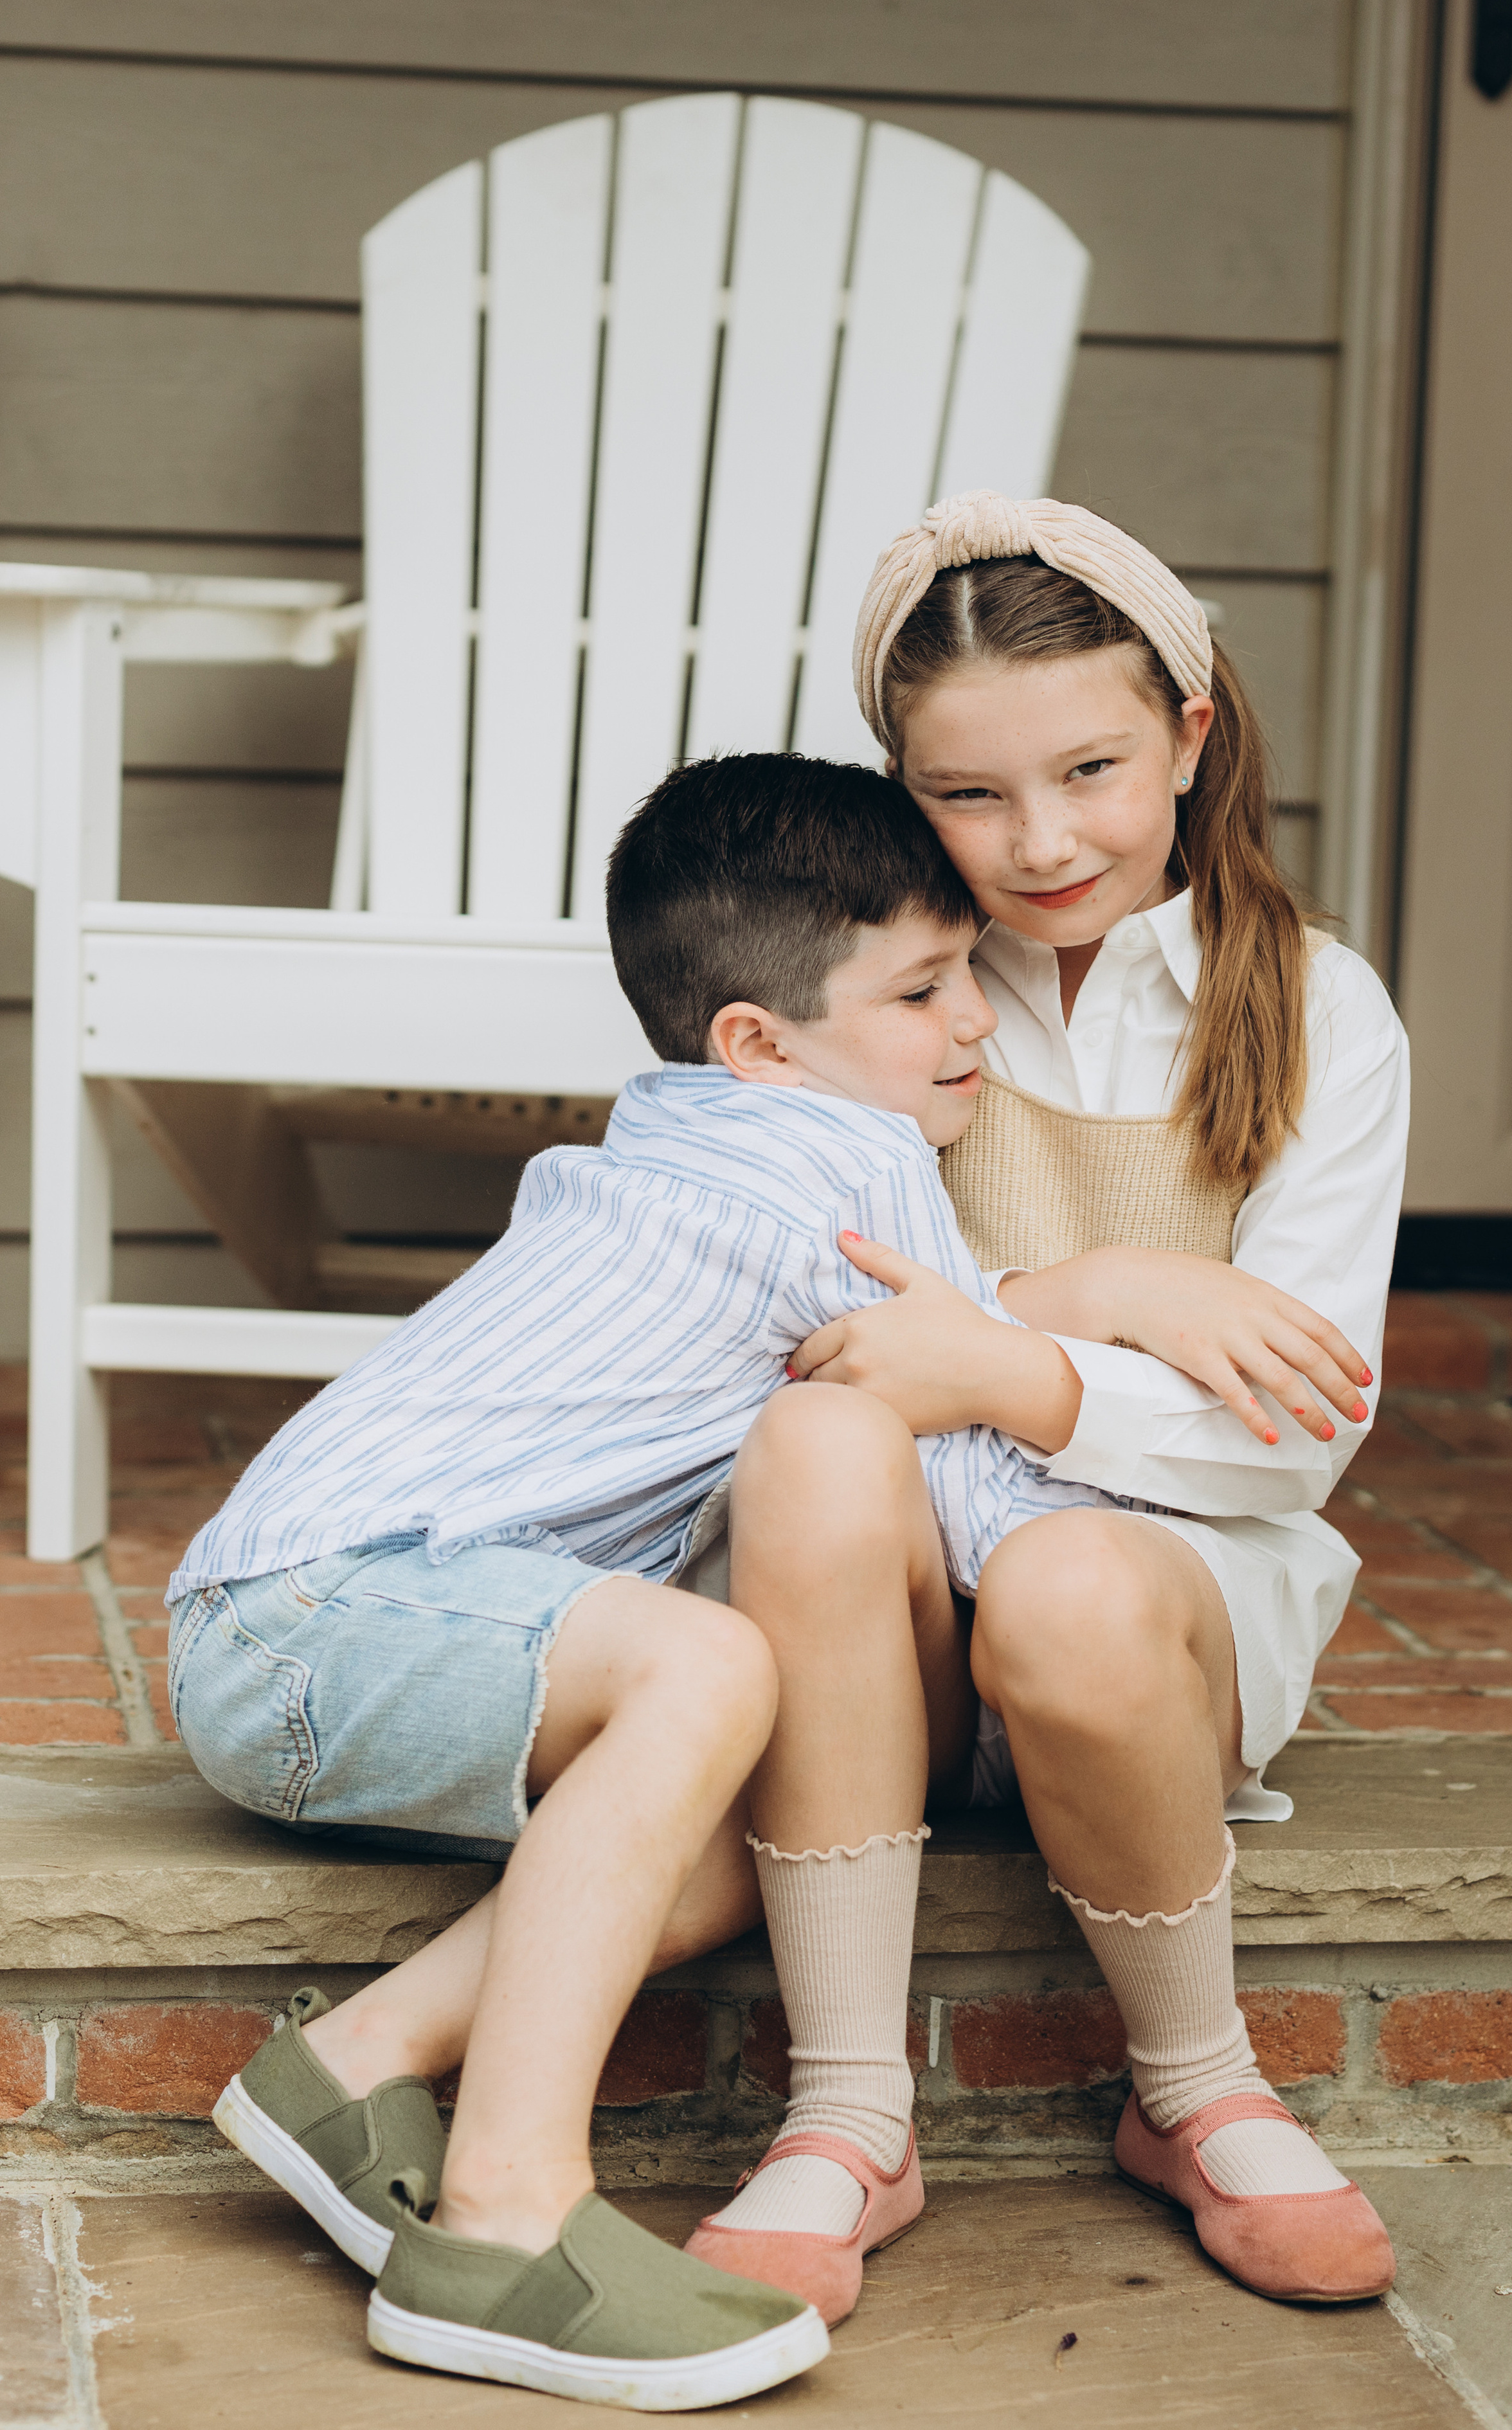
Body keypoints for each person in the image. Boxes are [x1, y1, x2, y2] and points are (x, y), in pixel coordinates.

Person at [163, 752, 1158, 2400]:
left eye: (967, 974)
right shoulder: (838, 1168)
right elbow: (971, 1484)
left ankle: (352, 2065)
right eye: (921, 989)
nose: (973, 1021)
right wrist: (1114, 1303)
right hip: (324, 1611)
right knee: (714, 1674)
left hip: (314, 1629)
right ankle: (500, 2220)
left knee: (753, 1831)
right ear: (758, 1044)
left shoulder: (690, 1135)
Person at [694, 492, 1407, 2312]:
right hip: (894, 1627)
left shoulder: (1319, 1012)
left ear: (1190, 728)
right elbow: (780, 1327)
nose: (1041, 839)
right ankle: (851, 2111)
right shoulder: (857, 988)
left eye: (1091, 766)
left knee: (1085, 1580)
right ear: (897, 785)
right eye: (968, 795)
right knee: (822, 1440)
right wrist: (1104, 1302)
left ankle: (1196, 2089)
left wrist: (1000, 1362)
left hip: (1164, 1633)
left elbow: (1295, 1434)